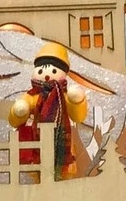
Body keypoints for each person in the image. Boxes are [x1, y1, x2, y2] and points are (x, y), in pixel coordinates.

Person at [8, 41, 89, 180]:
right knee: (39, 177)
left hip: (62, 144)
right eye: (40, 71)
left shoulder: (64, 96)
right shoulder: (31, 96)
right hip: (36, 143)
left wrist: (77, 101)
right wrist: (18, 112)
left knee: (64, 179)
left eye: (53, 71)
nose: (46, 75)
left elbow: (78, 117)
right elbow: (14, 121)